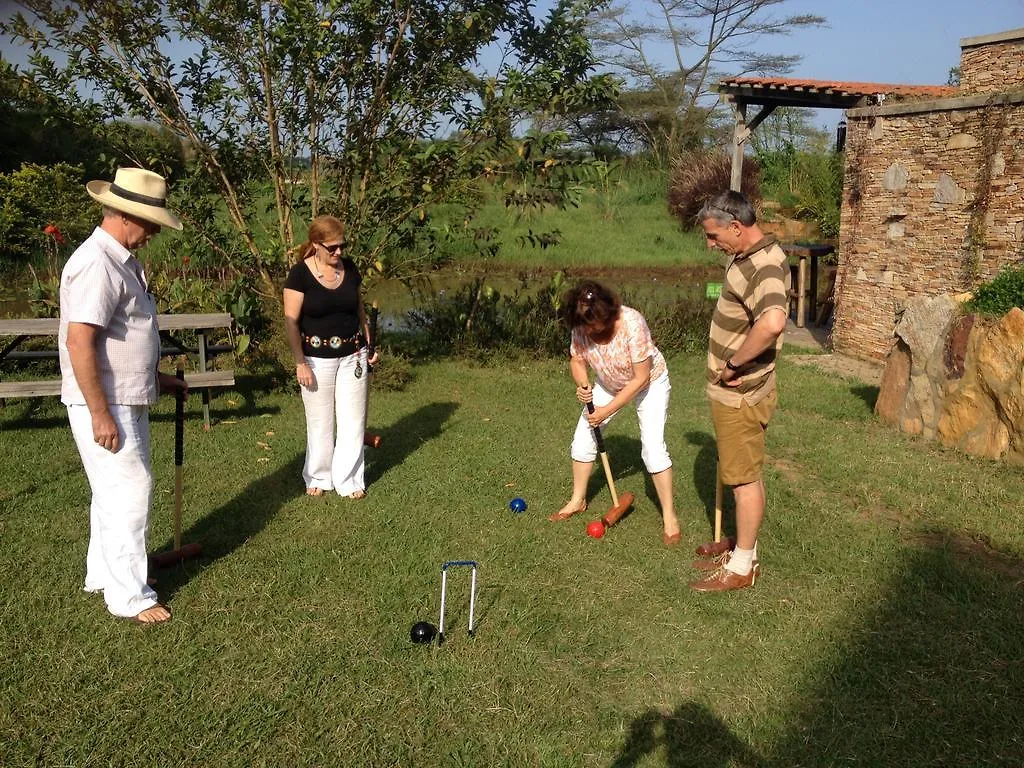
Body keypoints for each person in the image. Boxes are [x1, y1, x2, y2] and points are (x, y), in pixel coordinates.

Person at [59, 166, 188, 624]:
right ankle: (130, 597)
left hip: (123, 396)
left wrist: (157, 377)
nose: (154, 231)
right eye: (151, 221)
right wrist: (99, 412)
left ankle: (103, 575)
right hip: (106, 402)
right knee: (131, 490)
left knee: (112, 493)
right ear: (126, 215)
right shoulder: (97, 263)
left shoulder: (120, 260)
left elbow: (123, 336)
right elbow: (80, 342)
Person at [690, 190, 789, 592]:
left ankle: (743, 566)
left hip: (741, 393)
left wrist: (732, 365)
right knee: (745, 472)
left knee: (744, 480)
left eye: (714, 236)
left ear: (736, 226)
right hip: (744, 389)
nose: (711, 245)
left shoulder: (762, 266)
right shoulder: (753, 255)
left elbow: (772, 322)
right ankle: (740, 545)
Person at [549, 280, 679, 546]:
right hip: (608, 383)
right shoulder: (581, 324)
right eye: (584, 325)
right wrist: (583, 384)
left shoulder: (632, 323)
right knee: (583, 439)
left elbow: (640, 378)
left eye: (594, 325)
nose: (589, 331)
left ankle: (669, 517)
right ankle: (578, 500)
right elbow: (577, 360)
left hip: (649, 383)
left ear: (607, 313)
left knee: (653, 449)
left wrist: (606, 410)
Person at [283, 215, 378, 499]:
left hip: (354, 355)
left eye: (342, 246)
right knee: (320, 421)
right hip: (315, 359)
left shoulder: (349, 268)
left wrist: (369, 346)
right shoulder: (300, 274)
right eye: (332, 247)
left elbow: (360, 311)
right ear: (316, 244)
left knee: (353, 420)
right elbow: (291, 322)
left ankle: (348, 479)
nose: (339, 253)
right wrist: (300, 362)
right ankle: (318, 476)